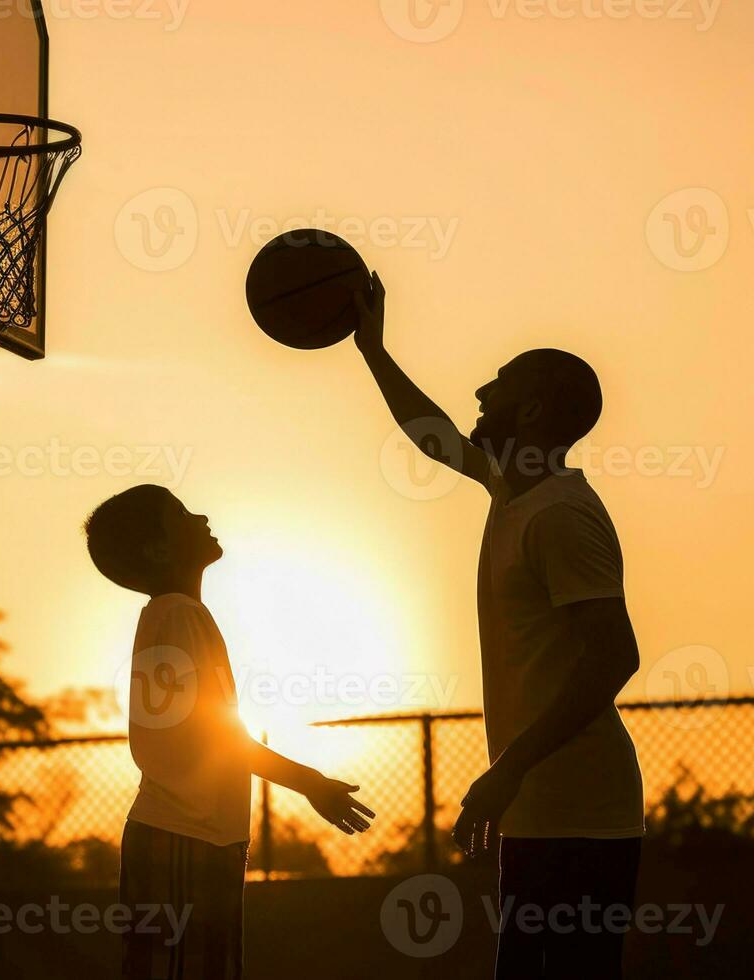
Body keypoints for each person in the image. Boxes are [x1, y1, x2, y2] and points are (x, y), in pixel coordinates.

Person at [355, 275, 645, 979]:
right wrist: (371, 348)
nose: (482, 391)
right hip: (543, 808)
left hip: (581, 812)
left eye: (501, 384)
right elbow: (436, 440)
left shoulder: (559, 516)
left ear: (536, 408)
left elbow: (615, 656)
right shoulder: (510, 489)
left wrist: (507, 769)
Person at [84, 485, 375, 980]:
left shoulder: (176, 615)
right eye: (180, 513)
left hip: (196, 837)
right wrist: (310, 782)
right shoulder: (178, 615)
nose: (200, 515)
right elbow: (217, 738)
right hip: (183, 837)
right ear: (158, 549)